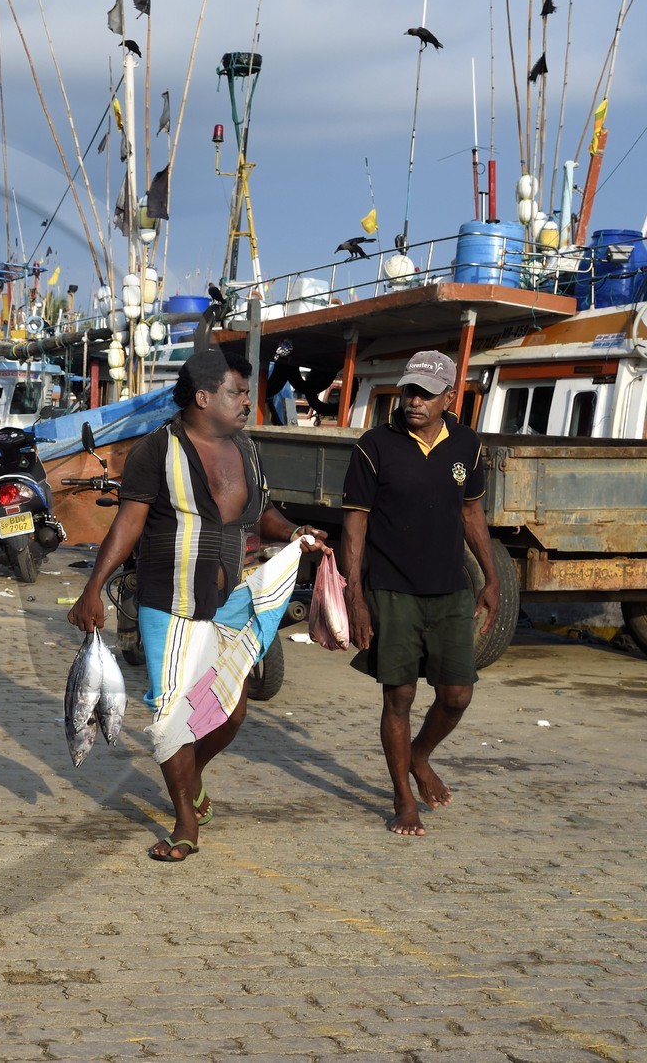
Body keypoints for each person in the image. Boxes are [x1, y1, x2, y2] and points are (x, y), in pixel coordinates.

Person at [68, 348, 325, 862]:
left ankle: (192, 778)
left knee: (230, 712)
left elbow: (262, 513)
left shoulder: (246, 447)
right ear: (203, 397)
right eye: (237, 393)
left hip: (230, 600)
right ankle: (186, 820)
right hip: (170, 603)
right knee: (170, 715)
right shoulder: (154, 451)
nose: (247, 404)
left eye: (247, 394)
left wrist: (296, 531)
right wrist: (93, 587)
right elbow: (128, 523)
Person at [340, 349, 499, 837]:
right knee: (400, 697)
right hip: (391, 589)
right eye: (410, 390)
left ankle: (420, 757)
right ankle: (402, 798)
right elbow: (355, 525)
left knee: (457, 694)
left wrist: (491, 580)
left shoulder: (467, 446)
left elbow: (472, 514)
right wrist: (356, 594)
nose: (414, 401)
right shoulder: (375, 446)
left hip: (450, 588)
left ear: (450, 397)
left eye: (427, 394)